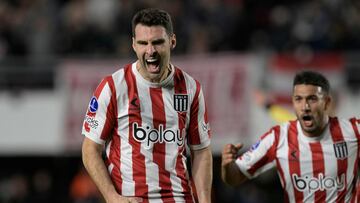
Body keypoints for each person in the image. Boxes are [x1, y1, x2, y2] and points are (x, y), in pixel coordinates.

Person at [81, 8, 212, 203]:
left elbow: (200, 151)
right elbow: (90, 149)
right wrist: (111, 196)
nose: (150, 51)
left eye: (158, 42)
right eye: (143, 43)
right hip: (131, 199)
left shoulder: (190, 88)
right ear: (134, 44)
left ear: (172, 41)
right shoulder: (113, 87)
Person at [221, 70, 360, 202]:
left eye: (313, 99)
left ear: (327, 103)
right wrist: (227, 166)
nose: (305, 106)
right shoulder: (278, 137)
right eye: (299, 99)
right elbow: (234, 177)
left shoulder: (352, 131)